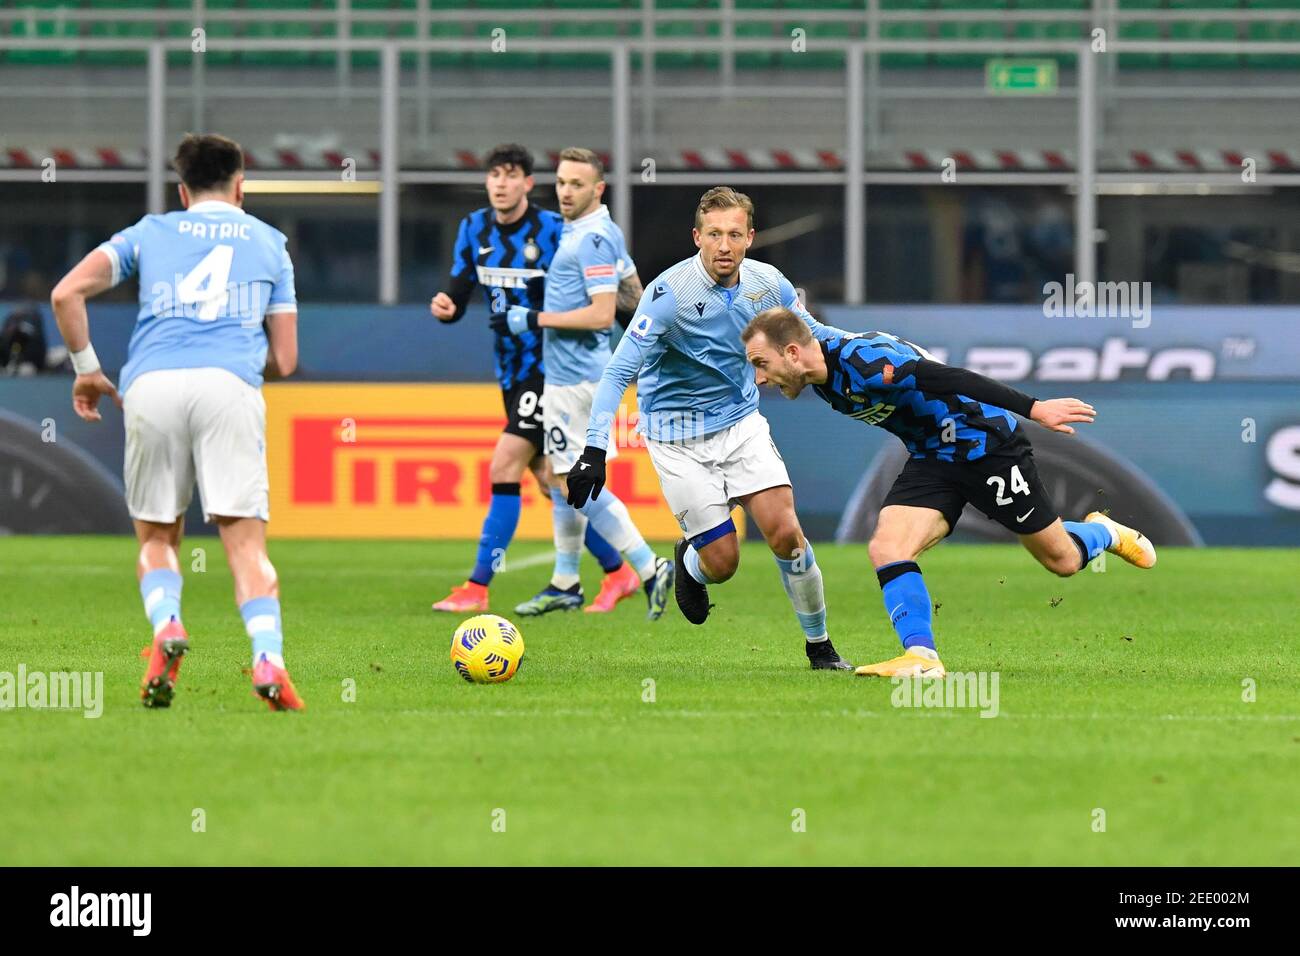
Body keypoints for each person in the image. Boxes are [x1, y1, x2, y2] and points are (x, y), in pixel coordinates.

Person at [740, 306, 1157, 678]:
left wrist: (1034, 408)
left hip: (986, 446)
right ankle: (922, 657)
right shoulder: (817, 370)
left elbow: (950, 377)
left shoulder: (867, 362)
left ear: (792, 353)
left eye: (761, 364)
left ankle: (1104, 532)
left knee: (1061, 560)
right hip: (932, 457)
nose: (760, 378)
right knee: (887, 547)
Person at [49, 132, 304, 710]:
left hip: (152, 386)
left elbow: (67, 294)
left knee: (158, 535)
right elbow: (285, 360)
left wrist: (88, 371)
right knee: (244, 544)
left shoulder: (150, 232)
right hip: (229, 388)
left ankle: (167, 625)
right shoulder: (270, 243)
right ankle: (267, 658)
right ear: (241, 186)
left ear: (182, 191)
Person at [566, 186, 852, 669]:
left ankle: (820, 646)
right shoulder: (667, 294)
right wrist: (594, 450)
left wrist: (871, 350)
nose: (724, 245)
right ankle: (691, 564)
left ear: (750, 237)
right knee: (724, 562)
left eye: (734, 234)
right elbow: (618, 372)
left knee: (786, 533)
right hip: (677, 438)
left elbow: (811, 337)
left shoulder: (770, 285)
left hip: (741, 425)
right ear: (697, 237)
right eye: (714, 234)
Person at [429, 143, 640, 615]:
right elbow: (460, 285)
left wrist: (637, 342)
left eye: (511, 175)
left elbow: (597, 291)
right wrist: (448, 305)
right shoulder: (473, 228)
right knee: (553, 481)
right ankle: (619, 572)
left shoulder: (554, 231)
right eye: (494, 175)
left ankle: (478, 586)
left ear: (528, 183)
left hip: (549, 370)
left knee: (504, 465)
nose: (500, 183)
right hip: (509, 370)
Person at [494, 147, 673, 619]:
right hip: (577, 376)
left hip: (575, 380)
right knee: (559, 479)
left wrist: (533, 316)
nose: (566, 192)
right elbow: (633, 295)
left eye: (577, 184)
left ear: (598, 189)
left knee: (569, 480)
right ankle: (566, 582)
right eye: (561, 182)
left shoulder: (592, 238)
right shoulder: (601, 233)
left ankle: (648, 566)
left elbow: (598, 314)